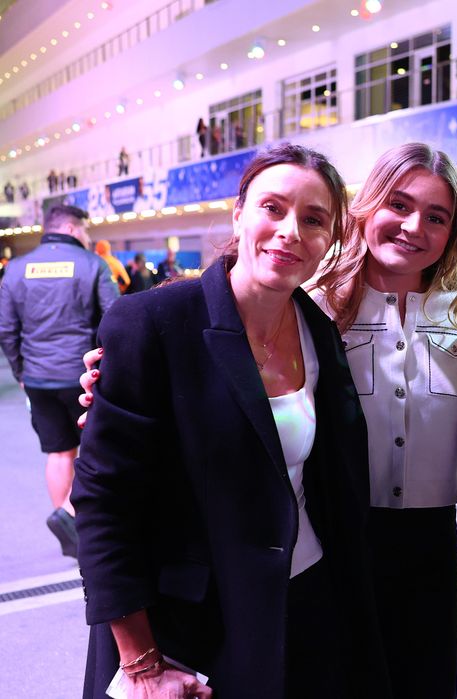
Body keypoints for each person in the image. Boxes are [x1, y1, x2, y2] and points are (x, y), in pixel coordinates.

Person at [72, 143, 383, 698]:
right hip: (191, 622)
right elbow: (103, 503)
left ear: (330, 240)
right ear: (239, 213)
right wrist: (142, 664)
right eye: (272, 208)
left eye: (313, 219)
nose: (290, 230)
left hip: (301, 600)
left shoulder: (322, 337)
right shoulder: (155, 322)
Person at [311, 142, 457, 698]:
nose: (414, 227)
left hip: (432, 545)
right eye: (400, 205)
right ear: (368, 207)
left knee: (427, 685)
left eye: (436, 217)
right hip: (338, 538)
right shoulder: (313, 308)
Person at [0, 205, 119, 559]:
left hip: (37, 378)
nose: (87, 236)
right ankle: (72, 515)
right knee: (99, 447)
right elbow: (114, 318)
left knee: (58, 451)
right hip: (83, 377)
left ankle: (70, 530)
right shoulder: (91, 264)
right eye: (85, 230)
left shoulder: (17, 269)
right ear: (71, 227)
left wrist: (21, 372)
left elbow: (7, 329)